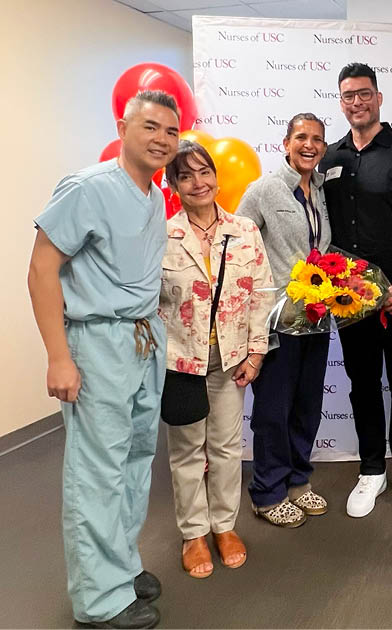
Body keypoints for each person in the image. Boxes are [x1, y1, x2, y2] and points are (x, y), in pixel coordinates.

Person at [27, 90, 179, 629]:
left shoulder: (155, 197)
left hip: (143, 338)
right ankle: (99, 600)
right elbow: (41, 269)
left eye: (171, 131)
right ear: (122, 128)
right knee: (97, 469)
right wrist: (58, 357)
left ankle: (120, 566)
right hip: (97, 343)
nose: (162, 139)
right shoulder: (87, 187)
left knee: (135, 461)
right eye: (150, 126)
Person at [320, 62, 392, 519]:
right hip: (349, 299)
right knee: (363, 384)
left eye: (364, 93)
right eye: (348, 95)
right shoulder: (330, 157)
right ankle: (371, 469)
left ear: (379, 97)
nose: (357, 102)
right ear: (341, 102)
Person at [159, 141, 273, 578]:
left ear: (216, 177)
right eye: (185, 176)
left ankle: (224, 526)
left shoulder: (244, 230)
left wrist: (257, 351)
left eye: (204, 172)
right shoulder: (162, 236)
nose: (198, 182)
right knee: (187, 451)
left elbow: (261, 293)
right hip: (180, 362)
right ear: (173, 185)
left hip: (231, 358)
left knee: (226, 448)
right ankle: (193, 533)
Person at [236, 113, 333, 527]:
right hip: (276, 321)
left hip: (317, 319)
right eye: (301, 137)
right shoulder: (264, 190)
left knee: (307, 406)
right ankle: (267, 492)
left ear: (324, 147)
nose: (309, 145)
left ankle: (297, 480)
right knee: (273, 410)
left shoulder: (322, 191)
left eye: (317, 139)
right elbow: (237, 248)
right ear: (286, 143)